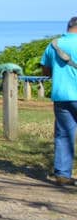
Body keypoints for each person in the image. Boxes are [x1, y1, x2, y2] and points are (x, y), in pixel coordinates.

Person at [39, 16, 77, 187]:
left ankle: (62, 174)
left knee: (63, 134)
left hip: (61, 96)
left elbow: (45, 70)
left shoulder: (54, 44)